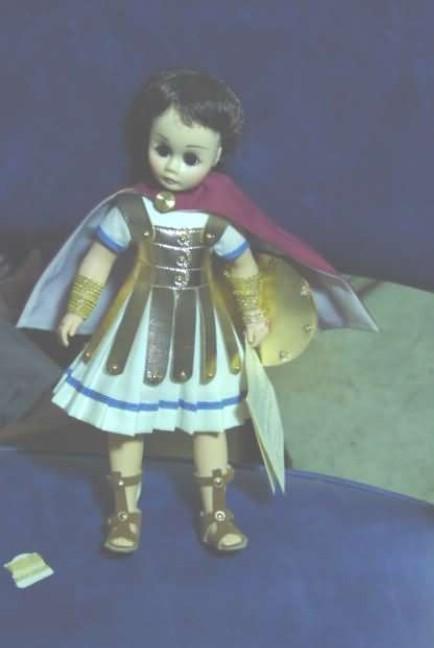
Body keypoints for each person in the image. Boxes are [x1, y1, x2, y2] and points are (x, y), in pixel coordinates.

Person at [18, 68, 376, 554]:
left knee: (211, 424)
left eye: (191, 157)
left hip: (204, 333)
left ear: (217, 156)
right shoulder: (130, 210)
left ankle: (216, 511)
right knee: (125, 423)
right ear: (145, 140)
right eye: (162, 149)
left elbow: (244, 266)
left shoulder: (217, 218)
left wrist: (253, 315)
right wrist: (76, 310)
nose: (172, 167)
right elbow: (98, 258)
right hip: (136, 331)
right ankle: (125, 513)